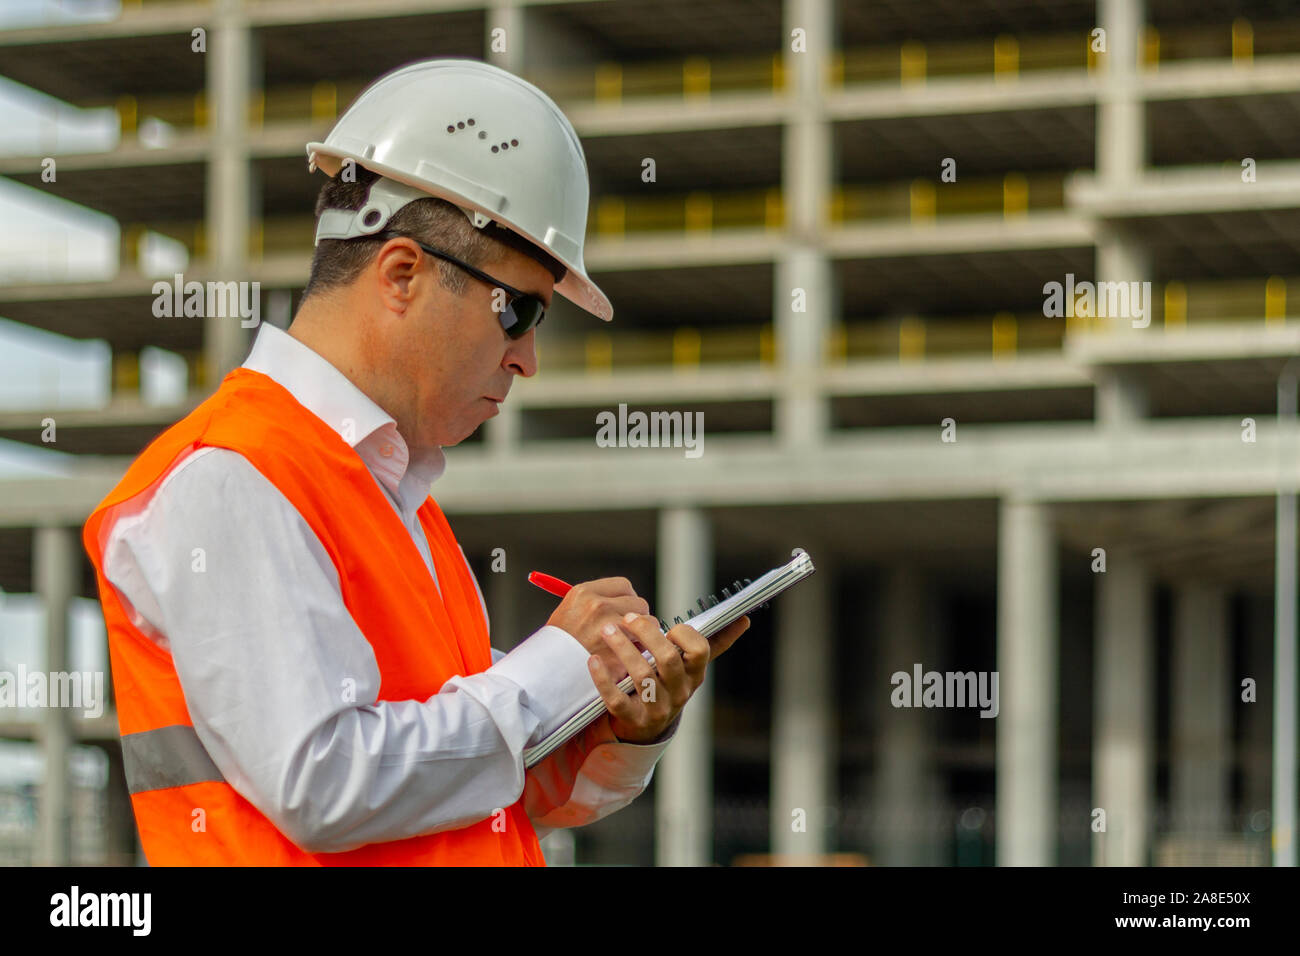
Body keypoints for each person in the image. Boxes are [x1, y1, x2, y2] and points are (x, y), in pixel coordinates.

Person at [81, 57, 748, 865]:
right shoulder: (231, 474)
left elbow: (479, 793)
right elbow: (321, 783)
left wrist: (617, 715)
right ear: (402, 274)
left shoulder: (393, 496)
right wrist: (552, 666)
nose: (528, 359)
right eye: (520, 312)